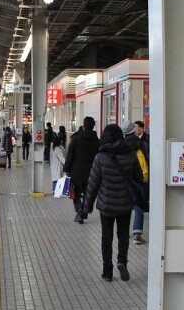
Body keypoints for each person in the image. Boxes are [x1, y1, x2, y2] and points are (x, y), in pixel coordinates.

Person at [84, 124, 143, 282]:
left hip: (106, 204)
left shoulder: (100, 157)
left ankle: (107, 271)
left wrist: (87, 206)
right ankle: (122, 262)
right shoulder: (130, 154)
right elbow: (139, 178)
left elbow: (93, 184)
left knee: (106, 237)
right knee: (123, 235)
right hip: (125, 204)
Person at [63, 116, 100, 224]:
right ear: (93, 126)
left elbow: (70, 154)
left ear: (84, 125)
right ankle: (83, 211)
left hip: (76, 171)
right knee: (87, 193)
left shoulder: (76, 138)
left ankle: (79, 208)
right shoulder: (97, 140)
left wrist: (66, 168)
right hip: (92, 172)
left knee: (74, 192)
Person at [123, 122, 149, 245]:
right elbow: (147, 160)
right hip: (139, 180)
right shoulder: (141, 144)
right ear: (134, 131)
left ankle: (123, 232)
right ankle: (137, 235)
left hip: (123, 181)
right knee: (138, 206)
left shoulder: (120, 145)